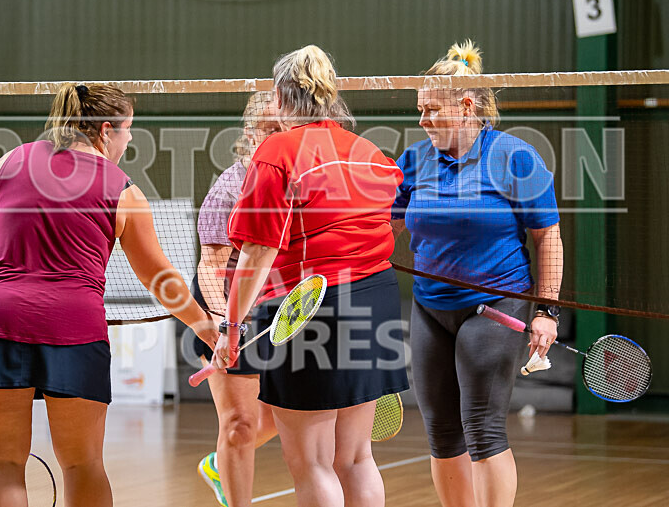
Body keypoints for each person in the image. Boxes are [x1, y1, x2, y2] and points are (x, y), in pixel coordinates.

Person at [0, 83, 218, 507]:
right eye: (129, 130)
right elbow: (160, 279)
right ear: (107, 130)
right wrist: (209, 328)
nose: (130, 139)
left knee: (1, 463)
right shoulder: (124, 190)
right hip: (72, 325)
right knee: (82, 464)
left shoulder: (7, 163)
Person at [211, 45, 409, 507]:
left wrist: (232, 326)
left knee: (312, 462)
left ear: (279, 99)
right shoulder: (369, 152)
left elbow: (257, 251)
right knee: (357, 458)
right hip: (376, 298)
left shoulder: (276, 152)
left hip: (309, 307)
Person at [390, 40, 563, 507]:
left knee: (482, 429)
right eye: (419, 109)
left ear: (466, 105)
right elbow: (385, 228)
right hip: (430, 307)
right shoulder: (415, 160)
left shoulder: (515, 157)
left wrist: (546, 311)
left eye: (431, 109)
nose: (422, 120)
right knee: (442, 433)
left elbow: (548, 239)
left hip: (496, 304)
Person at [192, 91, 281, 507]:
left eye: (286, 126)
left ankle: (217, 463)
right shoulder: (229, 187)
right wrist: (221, 325)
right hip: (229, 308)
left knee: (284, 415)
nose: (280, 134)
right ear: (250, 133)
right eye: (270, 127)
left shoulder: (297, 179)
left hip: (282, 310)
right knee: (240, 426)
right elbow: (209, 267)